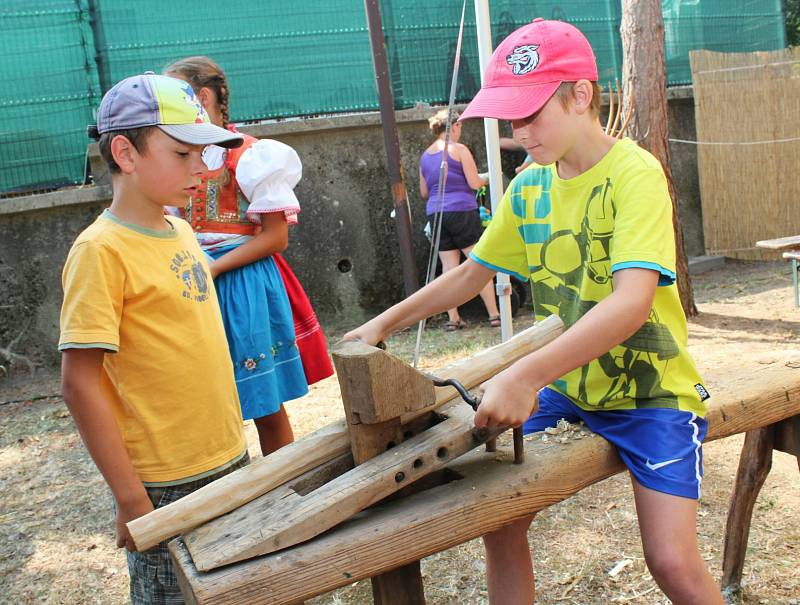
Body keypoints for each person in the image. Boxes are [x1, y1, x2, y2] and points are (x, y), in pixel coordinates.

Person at [347, 18, 723, 605]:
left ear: (581, 96)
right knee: (500, 519)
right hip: (568, 388)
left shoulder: (634, 174)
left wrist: (523, 375)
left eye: (531, 112)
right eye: (510, 117)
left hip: (652, 394)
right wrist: (382, 324)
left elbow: (630, 304)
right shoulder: (528, 189)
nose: (520, 130)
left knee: (671, 561)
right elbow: (473, 274)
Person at [59, 73, 249, 604]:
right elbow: (79, 384)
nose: (201, 168)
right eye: (183, 153)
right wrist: (131, 497)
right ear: (125, 151)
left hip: (227, 456)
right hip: (164, 483)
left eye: (204, 154)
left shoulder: (182, 230)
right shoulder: (100, 251)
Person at [164, 56, 333, 457]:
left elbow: (276, 238)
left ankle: (283, 490)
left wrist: (214, 266)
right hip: (195, 283)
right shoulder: (177, 158)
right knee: (208, 402)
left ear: (202, 97)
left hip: (244, 286)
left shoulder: (252, 155)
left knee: (264, 404)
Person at [420, 109, 501, 330]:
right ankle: (494, 315)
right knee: (478, 262)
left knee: (449, 268)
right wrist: (489, 177)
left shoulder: (425, 156)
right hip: (462, 211)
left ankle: (453, 319)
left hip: (436, 213)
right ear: (454, 127)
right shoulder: (459, 149)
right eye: (460, 127)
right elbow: (475, 183)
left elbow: (424, 191)